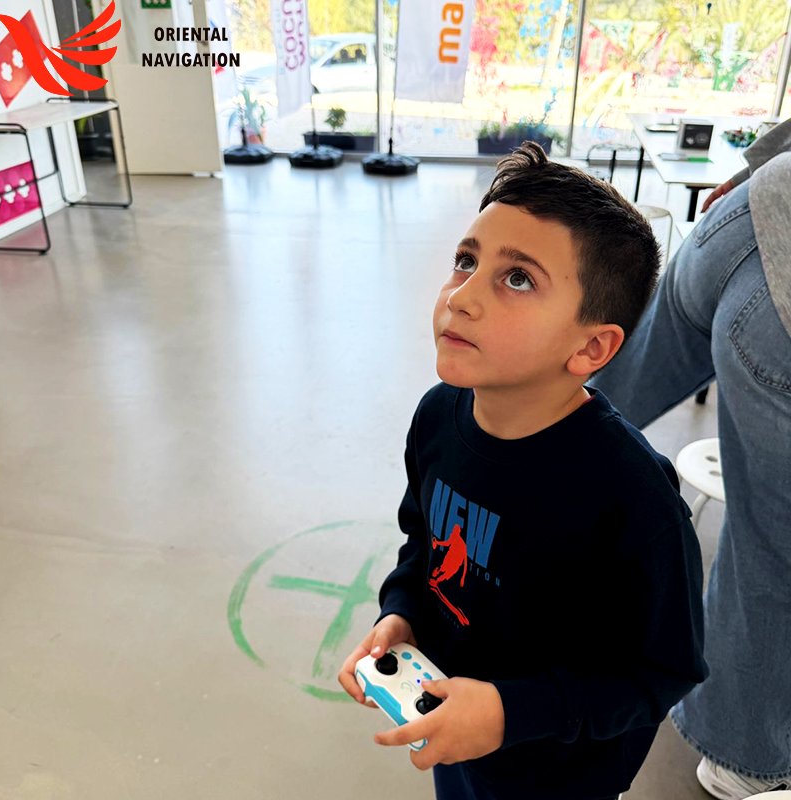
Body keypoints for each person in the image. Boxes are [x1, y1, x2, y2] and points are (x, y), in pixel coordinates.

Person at [338, 143, 708, 800]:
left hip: (559, 775)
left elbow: (661, 671)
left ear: (591, 346)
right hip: (454, 731)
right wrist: (402, 613)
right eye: (466, 261)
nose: (463, 296)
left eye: (517, 279)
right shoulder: (437, 418)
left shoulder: (631, 497)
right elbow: (421, 542)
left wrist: (512, 714)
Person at [589, 124, 791, 800]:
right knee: (771, 549)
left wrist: (757, 166)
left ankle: (494, 502)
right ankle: (742, 754)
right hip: (784, 316)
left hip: (747, 216)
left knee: (593, 397)